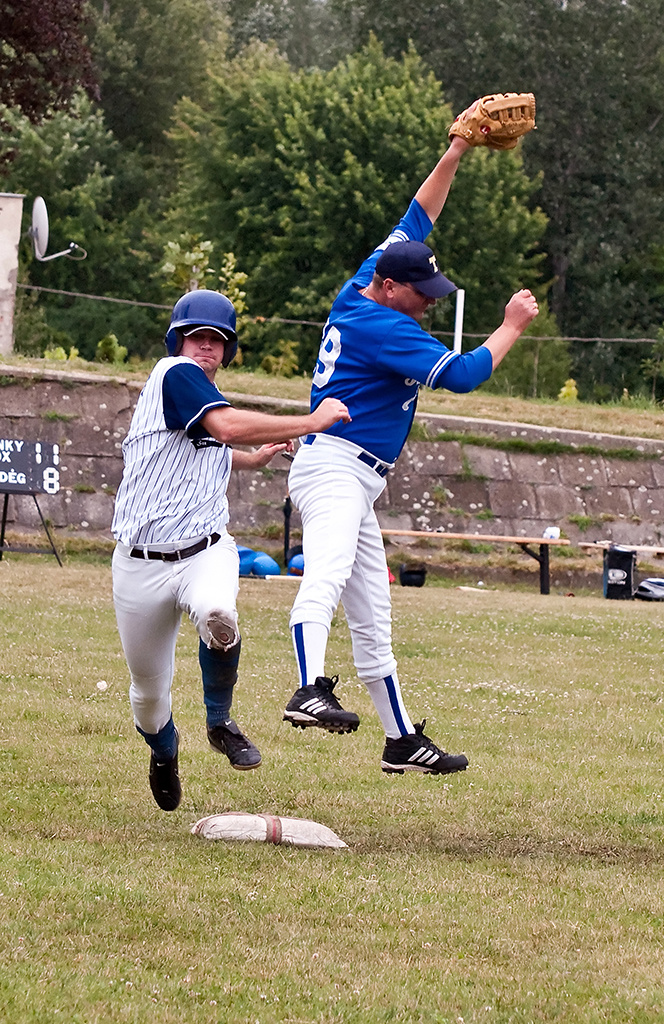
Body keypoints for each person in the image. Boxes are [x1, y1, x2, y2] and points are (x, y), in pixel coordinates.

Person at [282, 117, 539, 775]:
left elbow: (416, 215)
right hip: (335, 466)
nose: (428, 302)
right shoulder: (383, 327)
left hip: (352, 474)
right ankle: (307, 690)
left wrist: (454, 150)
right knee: (328, 573)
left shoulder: (368, 280)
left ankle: (400, 740)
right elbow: (463, 374)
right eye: (421, 294)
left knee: (374, 612)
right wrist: (510, 326)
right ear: (391, 290)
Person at [111, 289, 349, 811]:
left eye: (216, 341)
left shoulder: (199, 394)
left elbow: (212, 444)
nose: (205, 347)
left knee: (220, 616)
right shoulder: (173, 374)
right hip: (140, 561)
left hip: (205, 549)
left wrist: (253, 458)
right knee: (149, 698)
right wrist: (310, 421)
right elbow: (223, 425)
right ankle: (164, 749)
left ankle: (219, 723)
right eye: (196, 336)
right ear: (178, 340)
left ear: (226, 351)